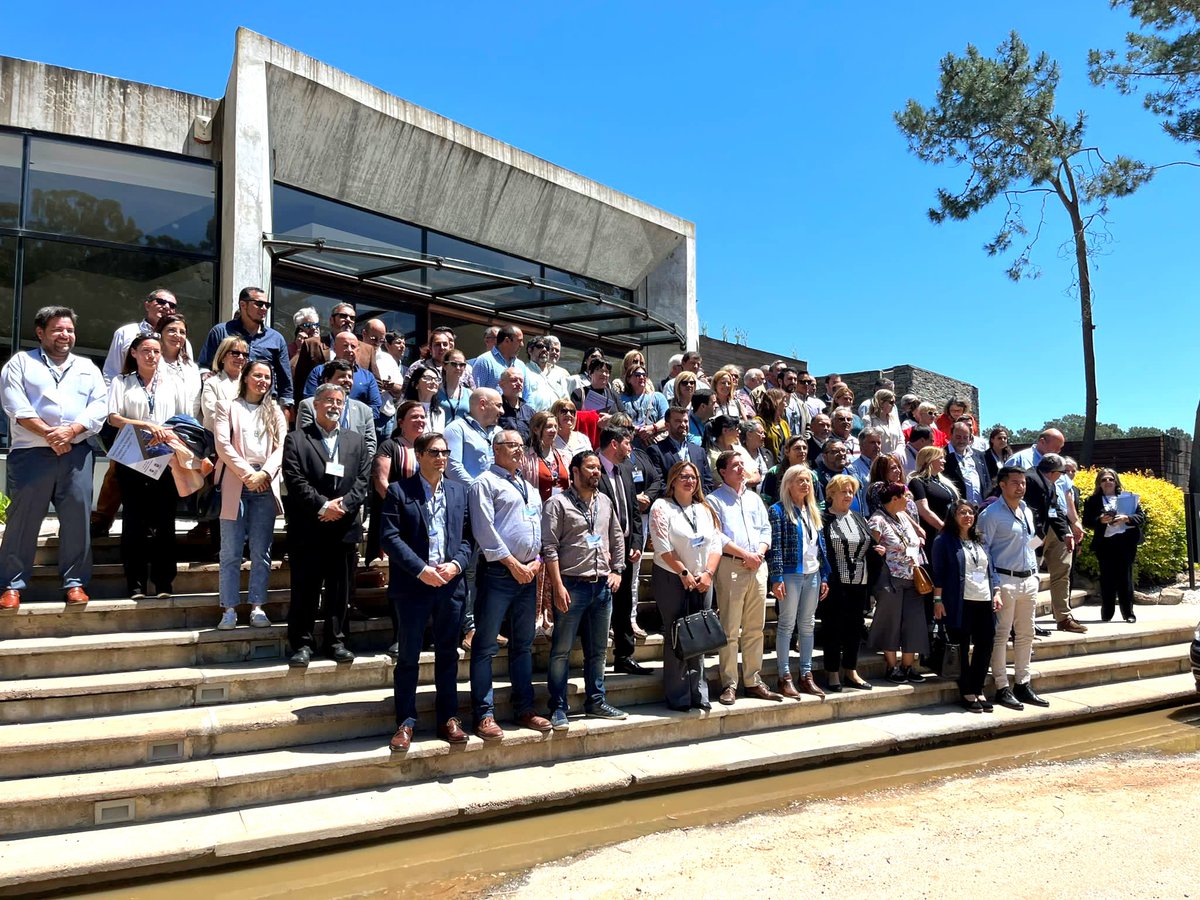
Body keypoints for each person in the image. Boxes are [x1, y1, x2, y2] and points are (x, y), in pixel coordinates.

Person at [0, 307, 107, 610]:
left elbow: (99, 406)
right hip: (31, 453)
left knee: (77, 520)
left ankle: (75, 583)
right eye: (58, 329)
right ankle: (11, 584)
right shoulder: (21, 363)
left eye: (70, 330)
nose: (65, 335)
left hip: (76, 453)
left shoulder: (87, 367)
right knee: (23, 520)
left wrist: (71, 431)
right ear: (41, 332)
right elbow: (15, 406)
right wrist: (51, 435)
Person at [384, 432, 473, 752]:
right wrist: (421, 570)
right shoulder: (399, 491)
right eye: (434, 452)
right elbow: (390, 538)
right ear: (418, 455)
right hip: (413, 587)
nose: (441, 458)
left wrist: (456, 566)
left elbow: (467, 538)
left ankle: (448, 718)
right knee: (408, 656)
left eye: (445, 452)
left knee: (448, 655)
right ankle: (405, 721)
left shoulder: (459, 491)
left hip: (450, 585)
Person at [467, 430, 552, 740]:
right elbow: (484, 530)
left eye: (521, 445)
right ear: (495, 449)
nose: (518, 450)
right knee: (485, 645)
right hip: (499, 575)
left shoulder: (528, 487)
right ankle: (484, 714)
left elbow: (538, 527)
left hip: (528, 575)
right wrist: (513, 564)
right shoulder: (484, 483)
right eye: (511, 445)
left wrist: (535, 563)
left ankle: (525, 708)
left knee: (523, 646)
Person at [282, 383, 370, 667]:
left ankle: (337, 640)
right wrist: (323, 506)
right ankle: (302, 643)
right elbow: (295, 480)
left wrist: (342, 507)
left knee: (339, 590)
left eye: (340, 402)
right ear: (316, 405)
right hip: (309, 526)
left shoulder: (356, 441)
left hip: (343, 528)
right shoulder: (296, 439)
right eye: (329, 401)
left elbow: (362, 480)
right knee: (305, 588)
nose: (334, 405)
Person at [93, 288, 192, 537]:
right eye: (161, 301)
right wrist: (112, 404)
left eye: (172, 304)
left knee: (161, 488)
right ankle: (103, 518)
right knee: (119, 473)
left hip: (166, 428)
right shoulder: (126, 333)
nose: (167, 307)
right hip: (128, 411)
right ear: (147, 304)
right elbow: (111, 372)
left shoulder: (179, 340)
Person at [541, 450, 629, 728]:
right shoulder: (557, 503)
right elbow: (549, 547)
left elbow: (616, 536)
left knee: (598, 650)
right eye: (590, 468)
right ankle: (557, 707)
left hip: (602, 586)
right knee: (561, 650)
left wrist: (617, 570)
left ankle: (596, 700)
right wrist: (556, 586)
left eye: (598, 469)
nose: (596, 473)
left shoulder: (604, 501)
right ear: (575, 471)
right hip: (571, 584)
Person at [107, 333, 189, 599]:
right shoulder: (122, 382)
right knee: (134, 521)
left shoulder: (172, 384)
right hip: (132, 456)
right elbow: (113, 418)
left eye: (156, 351)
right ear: (134, 353)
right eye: (145, 350)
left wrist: (164, 432)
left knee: (165, 522)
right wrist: (144, 425)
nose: (151, 356)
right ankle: (136, 583)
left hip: (164, 456)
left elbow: (183, 419)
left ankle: (164, 582)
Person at [212, 360, 287, 630]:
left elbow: (280, 448)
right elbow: (222, 445)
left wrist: (264, 474)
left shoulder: (275, 411)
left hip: (265, 483)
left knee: (261, 550)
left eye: (267, 377)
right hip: (236, 480)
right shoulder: (227, 407)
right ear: (245, 377)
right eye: (257, 375)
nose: (262, 381)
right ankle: (229, 608)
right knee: (231, 550)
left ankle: (257, 606)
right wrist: (249, 475)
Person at [648, 461, 723, 711]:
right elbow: (662, 546)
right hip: (672, 578)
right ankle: (678, 695)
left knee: (700, 636)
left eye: (693, 477)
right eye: (683, 477)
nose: (689, 481)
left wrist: (708, 573)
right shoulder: (662, 506)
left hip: (703, 579)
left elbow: (715, 545)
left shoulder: (704, 508)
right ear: (672, 480)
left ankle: (698, 692)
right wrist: (683, 572)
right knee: (676, 635)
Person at [707, 451, 781, 705]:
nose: (741, 469)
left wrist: (758, 553)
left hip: (757, 566)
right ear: (723, 472)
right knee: (729, 628)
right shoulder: (714, 501)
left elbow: (765, 529)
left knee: (754, 628)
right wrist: (744, 555)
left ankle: (753, 679)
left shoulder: (754, 498)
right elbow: (717, 536)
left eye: (742, 464)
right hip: (732, 567)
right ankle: (729, 683)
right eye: (735, 465)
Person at [978, 465, 1049, 711]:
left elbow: (1029, 542)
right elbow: (983, 551)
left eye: (1023, 482)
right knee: (1001, 634)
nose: (1021, 486)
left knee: (1026, 632)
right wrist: (995, 585)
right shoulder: (991, 514)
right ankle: (1001, 686)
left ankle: (1023, 682)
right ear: (1002, 485)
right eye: (1016, 482)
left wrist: (1035, 572)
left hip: (1028, 579)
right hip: (1004, 579)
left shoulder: (1026, 510)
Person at [444, 387, 503, 648]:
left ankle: (489, 625)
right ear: (482, 404)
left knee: (490, 571)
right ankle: (468, 627)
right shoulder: (456, 429)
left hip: (496, 511)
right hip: (468, 509)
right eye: (498, 405)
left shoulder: (497, 435)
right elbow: (452, 466)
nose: (502, 410)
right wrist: (482, 491)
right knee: (468, 571)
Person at [931, 501, 998, 713]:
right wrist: (938, 601)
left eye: (971, 512)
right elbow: (938, 573)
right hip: (959, 601)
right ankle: (967, 690)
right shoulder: (944, 541)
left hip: (984, 600)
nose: (968, 516)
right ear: (953, 515)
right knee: (961, 645)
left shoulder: (981, 540)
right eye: (962, 512)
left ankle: (978, 687)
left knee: (985, 644)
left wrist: (997, 592)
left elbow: (991, 569)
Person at [766, 465, 827, 698]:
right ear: (789, 483)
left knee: (808, 624)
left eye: (808, 481)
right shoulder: (778, 510)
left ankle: (806, 674)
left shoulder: (813, 510)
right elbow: (776, 548)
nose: (805, 484)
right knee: (786, 624)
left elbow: (819, 547)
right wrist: (776, 576)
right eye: (800, 480)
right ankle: (784, 676)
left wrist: (826, 574)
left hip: (813, 572)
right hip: (790, 574)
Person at [595, 426, 647, 675]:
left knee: (624, 604)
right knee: (599, 606)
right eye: (627, 443)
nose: (631, 448)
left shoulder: (625, 470)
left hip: (625, 549)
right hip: (600, 551)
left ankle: (624, 656)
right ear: (614, 444)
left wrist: (636, 543)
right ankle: (594, 660)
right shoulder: (591, 466)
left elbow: (634, 512)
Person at [867, 482, 930, 684]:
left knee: (914, 621)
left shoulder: (903, 516)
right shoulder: (877, 520)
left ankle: (908, 666)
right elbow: (871, 551)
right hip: (890, 577)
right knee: (891, 622)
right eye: (906, 496)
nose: (909, 499)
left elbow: (915, 537)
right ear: (895, 499)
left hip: (913, 576)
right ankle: (892, 666)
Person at [198, 286, 294, 416]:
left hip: (264, 407)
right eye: (259, 304)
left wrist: (286, 411)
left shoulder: (277, 339)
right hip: (227, 404)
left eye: (267, 305)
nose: (264, 309)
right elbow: (204, 365)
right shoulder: (221, 331)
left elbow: (285, 380)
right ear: (243, 305)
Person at [820, 474, 876, 692]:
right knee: (833, 628)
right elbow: (823, 552)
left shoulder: (859, 518)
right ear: (831, 494)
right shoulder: (824, 519)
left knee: (854, 628)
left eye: (851, 492)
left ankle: (851, 670)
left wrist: (875, 551)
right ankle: (832, 672)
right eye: (843, 491)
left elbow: (868, 546)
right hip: (835, 583)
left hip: (859, 582)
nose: (848, 495)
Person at [1023, 453, 1086, 634]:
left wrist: (1066, 532)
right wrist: (1036, 539)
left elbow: (1055, 509)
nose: (1064, 476)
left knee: (1062, 571)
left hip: (1053, 532)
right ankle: (1027, 621)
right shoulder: (1029, 479)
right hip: (1033, 537)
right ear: (1053, 472)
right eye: (1062, 472)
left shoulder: (1049, 482)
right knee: (1029, 576)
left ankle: (1064, 617)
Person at [522, 410, 571, 634]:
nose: (553, 430)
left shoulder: (563, 455)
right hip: (535, 519)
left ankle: (550, 617)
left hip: (558, 519)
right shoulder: (527, 457)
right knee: (540, 565)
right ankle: (535, 618)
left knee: (554, 565)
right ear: (536, 429)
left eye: (554, 426)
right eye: (548, 426)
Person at [1081, 468, 1146, 623]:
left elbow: (1141, 517)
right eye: (1104, 480)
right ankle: (1107, 613)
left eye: (1110, 479)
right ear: (1099, 483)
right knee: (1107, 579)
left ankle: (1128, 613)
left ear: (1116, 481)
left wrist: (1126, 518)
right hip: (1105, 544)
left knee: (1125, 578)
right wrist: (1100, 520)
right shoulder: (1093, 500)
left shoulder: (1128, 498)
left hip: (1126, 543)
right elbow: (1087, 522)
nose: (1108, 482)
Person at [296, 360, 378, 460]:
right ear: (327, 380)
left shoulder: (364, 411)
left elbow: (370, 445)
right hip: (318, 466)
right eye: (342, 376)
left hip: (352, 469)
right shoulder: (310, 405)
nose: (348, 380)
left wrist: (356, 466)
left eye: (350, 377)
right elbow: (305, 439)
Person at [647, 405, 716, 495]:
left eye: (686, 421)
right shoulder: (656, 451)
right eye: (678, 421)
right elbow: (659, 483)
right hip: (672, 505)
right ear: (667, 425)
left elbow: (708, 482)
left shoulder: (699, 451)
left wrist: (697, 500)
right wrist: (680, 501)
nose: (683, 425)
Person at [908, 446, 960, 552]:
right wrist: (943, 528)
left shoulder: (943, 482)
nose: (944, 461)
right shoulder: (917, 481)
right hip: (934, 534)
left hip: (952, 532)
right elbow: (923, 510)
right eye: (940, 458)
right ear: (929, 459)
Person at [196, 336, 248, 431]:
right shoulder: (212, 383)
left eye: (244, 355)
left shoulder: (250, 382)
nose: (241, 358)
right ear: (223, 357)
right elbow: (211, 417)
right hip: (219, 440)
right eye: (235, 353)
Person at [156, 313, 202, 417]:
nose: (177, 335)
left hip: (183, 427)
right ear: (160, 333)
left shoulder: (192, 368)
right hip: (156, 426)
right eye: (171, 330)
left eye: (182, 332)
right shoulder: (151, 363)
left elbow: (195, 402)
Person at [471, 324, 533, 402]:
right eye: (519, 341)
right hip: (492, 413)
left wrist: (527, 413)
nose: (522, 345)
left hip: (518, 413)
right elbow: (476, 393)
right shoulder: (485, 361)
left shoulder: (520, 365)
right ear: (507, 341)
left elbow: (528, 395)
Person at [944, 421, 992, 506]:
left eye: (965, 437)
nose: (962, 441)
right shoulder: (942, 455)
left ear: (970, 438)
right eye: (958, 437)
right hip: (955, 511)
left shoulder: (979, 455)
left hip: (980, 509)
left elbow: (987, 482)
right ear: (951, 435)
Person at [620, 364, 668, 448]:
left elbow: (667, 419)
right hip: (630, 446)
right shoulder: (620, 399)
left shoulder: (658, 397)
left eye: (644, 375)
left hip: (654, 445)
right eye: (637, 375)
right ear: (628, 379)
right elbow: (616, 421)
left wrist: (653, 428)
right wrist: (635, 429)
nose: (642, 377)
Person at [761, 435, 810, 507]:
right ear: (787, 451)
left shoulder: (811, 475)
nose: (802, 451)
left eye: (804, 448)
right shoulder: (774, 472)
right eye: (797, 448)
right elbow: (765, 499)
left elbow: (819, 503)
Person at [402, 363, 447, 433]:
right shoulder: (404, 408)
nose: (433, 382)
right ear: (416, 384)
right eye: (428, 378)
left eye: (437, 379)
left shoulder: (440, 412)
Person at [497, 367, 535, 441]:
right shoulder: (496, 410)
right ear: (501, 384)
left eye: (521, 381)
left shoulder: (530, 412)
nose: (519, 383)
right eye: (514, 380)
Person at [754, 388, 791, 462]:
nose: (786, 404)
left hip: (785, 466)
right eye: (784, 401)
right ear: (776, 402)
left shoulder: (784, 423)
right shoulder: (759, 422)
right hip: (769, 465)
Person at [866, 389, 905, 456]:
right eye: (891, 402)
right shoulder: (868, 419)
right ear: (881, 403)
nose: (893, 405)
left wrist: (897, 452)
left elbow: (901, 440)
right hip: (877, 460)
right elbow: (868, 441)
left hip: (895, 459)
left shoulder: (894, 420)